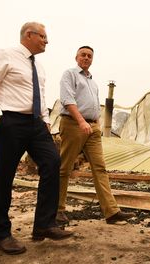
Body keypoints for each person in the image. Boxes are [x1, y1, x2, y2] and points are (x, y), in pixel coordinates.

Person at [0, 22, 72, 255]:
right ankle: (2, 234)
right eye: (43, 36)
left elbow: (39, 95)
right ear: (29, 35)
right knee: (5, 176)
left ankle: (44, 225)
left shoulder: (39, 66)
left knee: (52, 163)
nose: (46, 41)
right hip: (11, 122)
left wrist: (45, 120)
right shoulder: (5, 55)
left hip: (36, 124)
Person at [58, 46, 135, 225]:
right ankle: (58, 210)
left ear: (92, 59)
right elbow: (67, 100)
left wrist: (97, 125)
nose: (86, 58)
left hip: (92, 127)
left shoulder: (92, 82)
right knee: (64, 169)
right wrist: (81, 121)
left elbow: (94, 106)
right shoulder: (69, 74)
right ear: (76, 57)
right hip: (73, 124)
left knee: (100, 168)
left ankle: (111, 212)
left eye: (89, 56)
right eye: (83, 55)